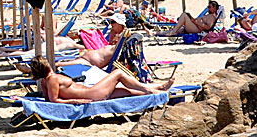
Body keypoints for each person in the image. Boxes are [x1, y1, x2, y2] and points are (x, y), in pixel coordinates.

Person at [29, 55, 173, 104]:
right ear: (46, 65)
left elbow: (49, 100)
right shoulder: (52, 78)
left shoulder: (45, 81)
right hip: (92, 94)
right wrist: (74, 101)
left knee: (127, 91)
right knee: (118, 74)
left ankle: (157, 90)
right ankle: (150, 88)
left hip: (92, 93)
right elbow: (54, 101)